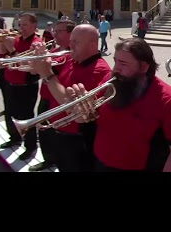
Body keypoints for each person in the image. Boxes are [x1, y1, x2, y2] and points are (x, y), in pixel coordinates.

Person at [69, 38, 171, 172]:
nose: (116, 68)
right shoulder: (110, 81)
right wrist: (79, 110)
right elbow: (85, 116)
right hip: (99, 161)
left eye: (123, 63)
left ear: (144, 67)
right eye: (115, 61)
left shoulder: (166, 98)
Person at [29, 23, 110, 172]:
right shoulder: (71, 59)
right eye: (70, 40)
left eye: (75, 42)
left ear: (92, 44)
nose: (70, 44)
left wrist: (47, 74)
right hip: (59, 132)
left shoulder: (99, 69)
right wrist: (38, 57)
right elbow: (36, 70)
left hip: (75, 139)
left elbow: (73, 107)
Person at [27, 19, 74, 171]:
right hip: (45, 97)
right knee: (43, 131)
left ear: (70, 34)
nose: (55, 33)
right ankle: (47, 159)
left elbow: (54, 72)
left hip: (59, 100)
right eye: (55, 30)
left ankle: (56, 161)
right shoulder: (53, 51)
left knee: (55, 135)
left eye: (60, 31)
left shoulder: (71, 54)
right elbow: (34, 71)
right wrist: (36, 56)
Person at [0, 13, 43, 160]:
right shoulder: (16, 39)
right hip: (10, 83)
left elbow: (29, 65)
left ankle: (31, 147)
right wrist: (1, 40)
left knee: (26, 117)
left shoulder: (37, 43)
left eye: (24, 25)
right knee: (9, 113)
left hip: (26, 86)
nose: (21, 28)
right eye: (20, 24)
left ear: (34, 26)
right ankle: (14, 138)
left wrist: (12, 50)